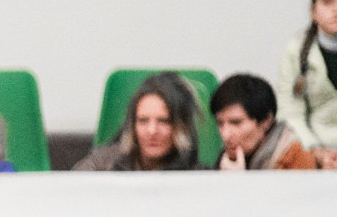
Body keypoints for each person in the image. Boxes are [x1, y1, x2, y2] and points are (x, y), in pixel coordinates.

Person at [73, 72, 201, 172]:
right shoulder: (100, 165)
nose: (152, 131)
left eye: (164, 121)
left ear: (183, 126)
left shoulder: (198, 176)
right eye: (143, 121)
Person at [278, 0, 337, 158]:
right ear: (313, 11)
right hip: (313, 151)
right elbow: (290, 114)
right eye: (327, 1)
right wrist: (316, 153)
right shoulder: (295, 51)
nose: (335, 8)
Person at [212, 73, 316, 170]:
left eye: (236, 123)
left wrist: (237, 182)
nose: (225, 135)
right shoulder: (226, 159)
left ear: (266, 120)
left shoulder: (295, 159)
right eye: (220, 123)